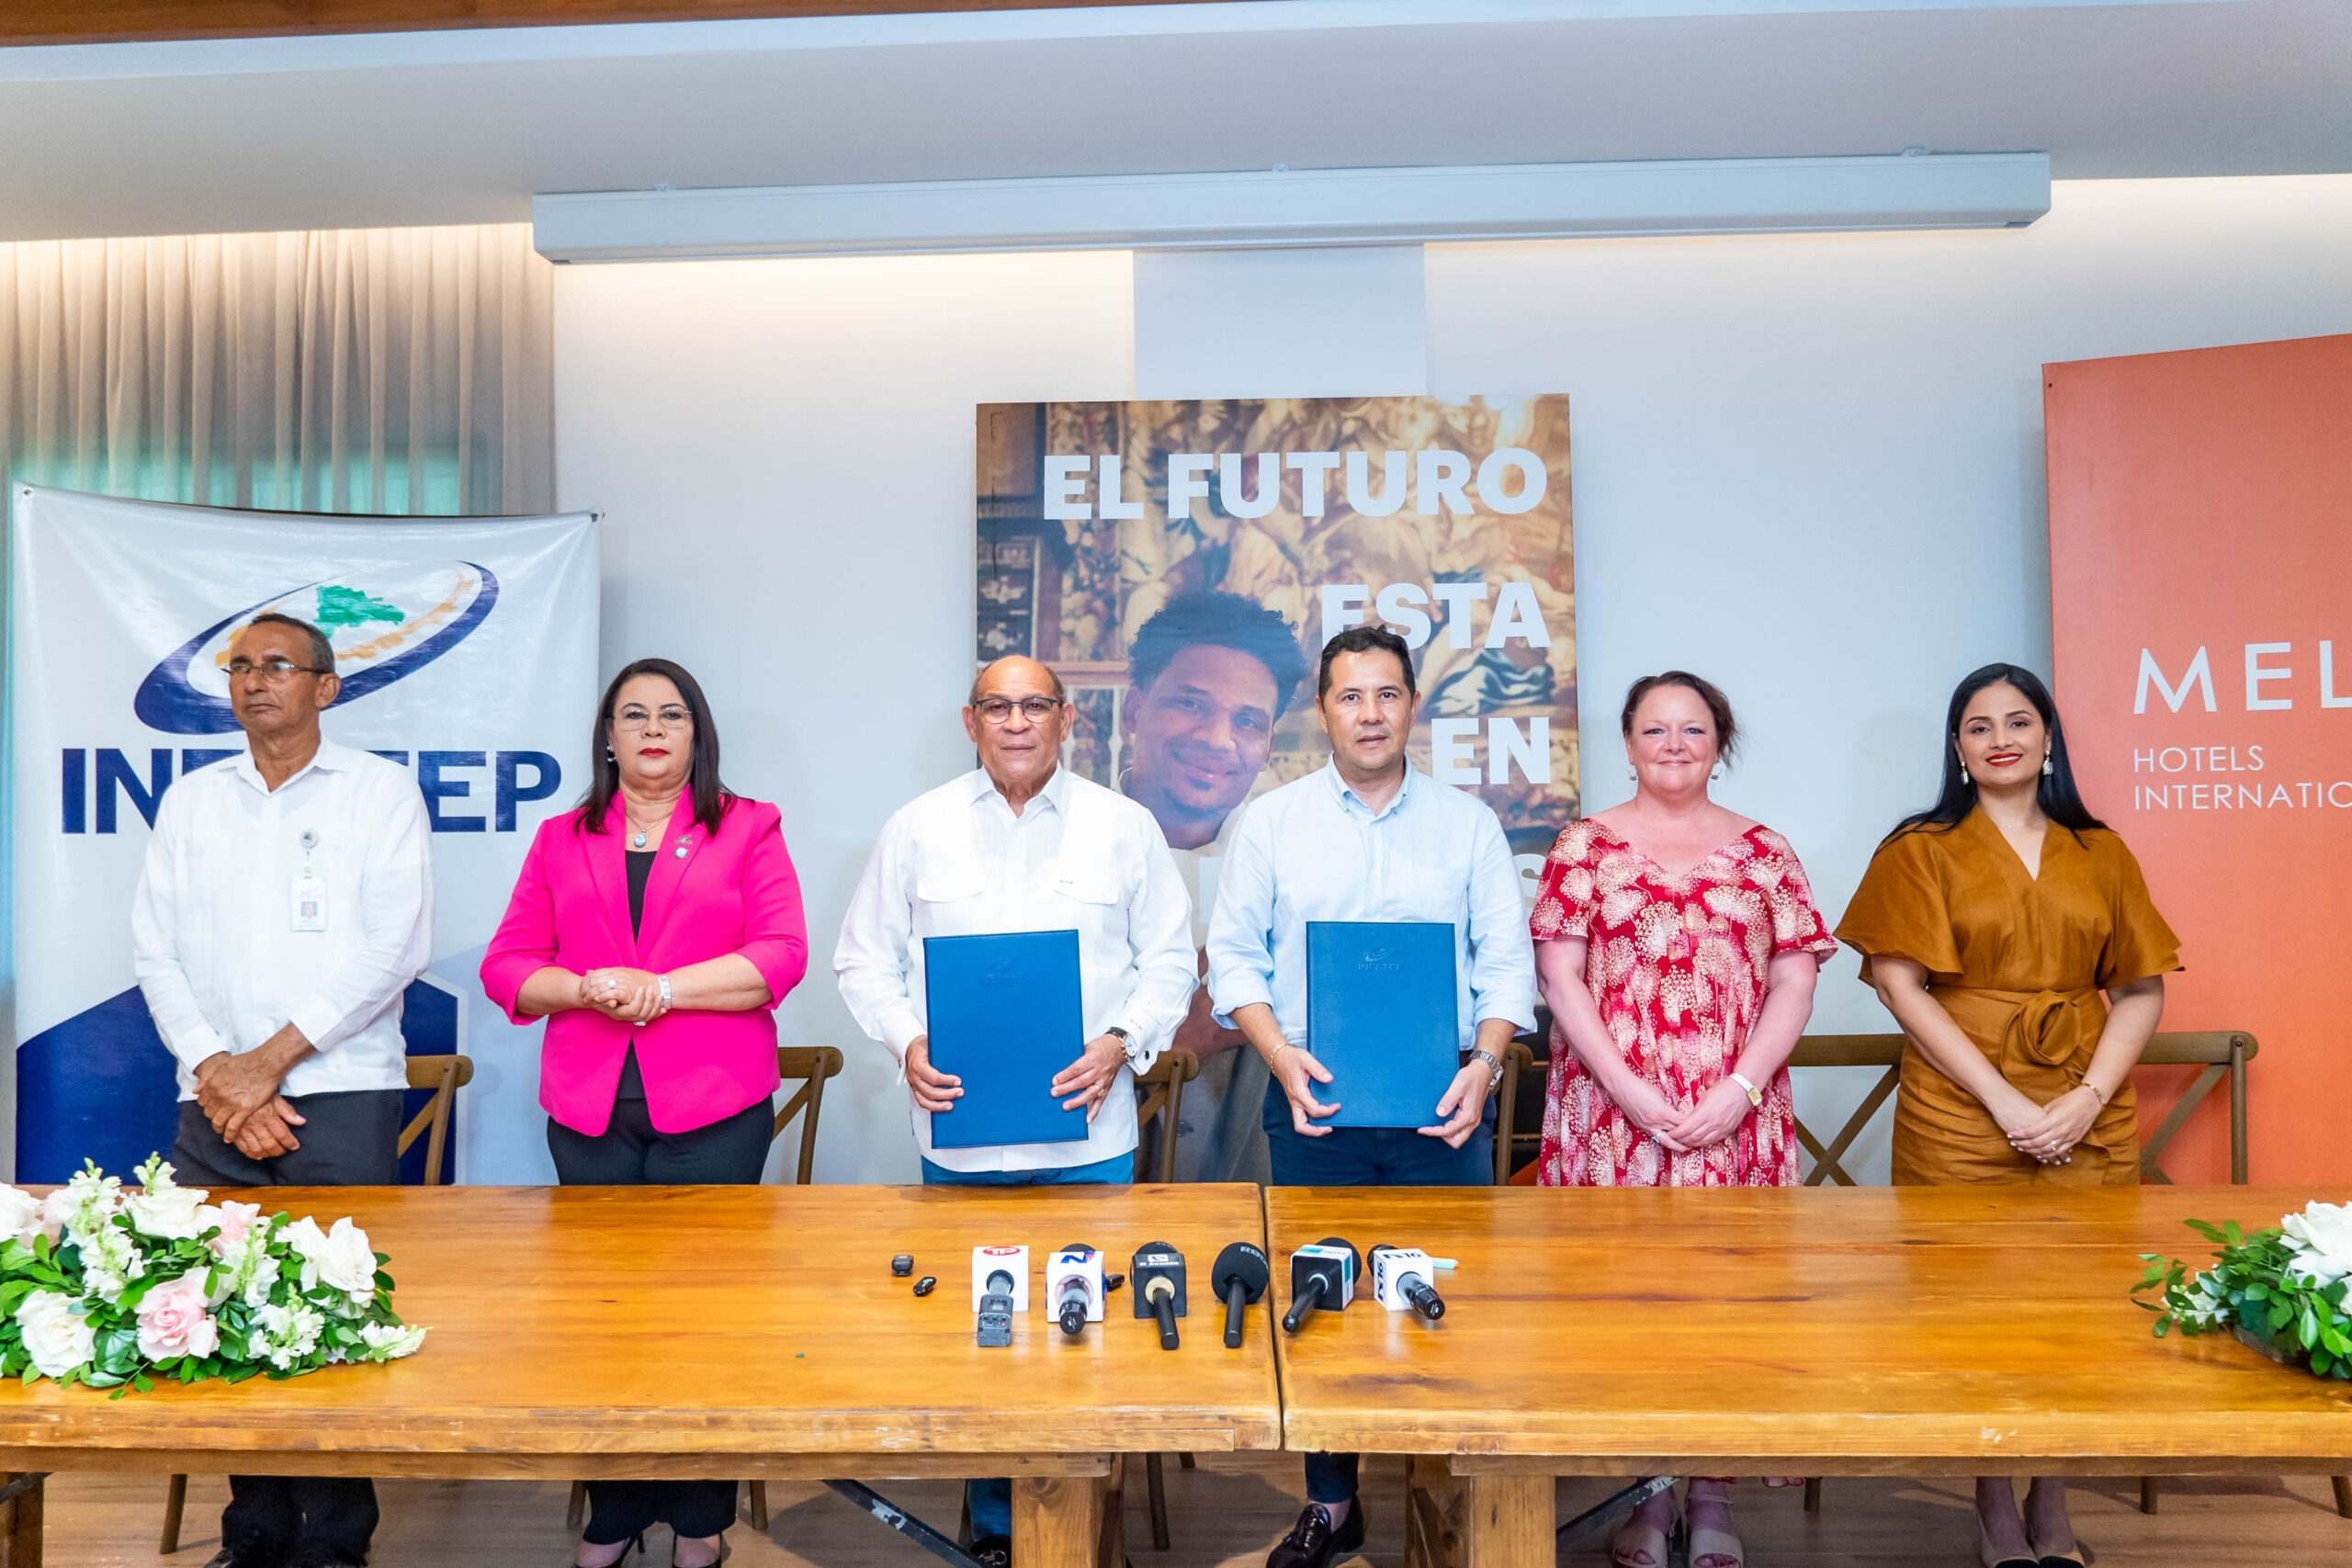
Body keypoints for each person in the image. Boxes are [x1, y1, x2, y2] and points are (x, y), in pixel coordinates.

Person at [833, 654, 1195, 1568]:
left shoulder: (1124, 826)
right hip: (963, 1145)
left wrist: (1123, 1040)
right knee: (984, 1341)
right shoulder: (917, 828)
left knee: (1089, 1334)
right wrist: (907, 1041)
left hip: (1091, 1139)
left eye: (1035, 704)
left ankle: (1088, 1529)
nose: (1017, 721)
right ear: (971, 722)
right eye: (998, 706)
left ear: (1067, 718)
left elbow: (1169, 960)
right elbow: (861, 960)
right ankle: (997, 1532)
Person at [1206, 625, 1535, 1568]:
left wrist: (1485, 1065)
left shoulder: (1467, 824)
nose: (1370, 713)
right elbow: (1233, 959)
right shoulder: (1271, 822)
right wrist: (1280, 1056)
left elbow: (1505, 964)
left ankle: (1450, 1499)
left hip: (1447, 1107)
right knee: (1323, 1304)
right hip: (1313, 1101)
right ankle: (1332, 1503)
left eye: (1387, 694)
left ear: (1412, 706)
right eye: (1350, 696)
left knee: (1451, 1301)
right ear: (1323, 710)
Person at [1837, 661, 2177, 1568]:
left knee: (2077, 1308)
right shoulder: (1918, 849)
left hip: (2083, 1100)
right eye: (1978, 725)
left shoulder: (2101, 851)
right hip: (1959, 1109)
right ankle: (1992, 1502)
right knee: (1969, 1313)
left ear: (2047, 737)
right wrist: (2003, 1099)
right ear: (1956, 747)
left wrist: (2085, 1098)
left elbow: (2140, 989)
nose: (2000, 739)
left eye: (2018, 721)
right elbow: (1898, 984)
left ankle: (2052, 1500)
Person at [481, 657, 808, 1568]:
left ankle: (700, 1518)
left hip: (714, 1105)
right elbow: (508, 965)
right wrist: (585, 988)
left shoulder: (746, 826)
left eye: (672, 714)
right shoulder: (561, 838)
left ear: (697, 733)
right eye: (634, 714)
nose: (653, 728)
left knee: (702, 1318)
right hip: (590, 1109)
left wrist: (661, 989)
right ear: (608, 737)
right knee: (603, 1319)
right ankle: (615, 1513)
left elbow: (779, 956)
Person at [131, 611, 433, 1568]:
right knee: (221, 1309)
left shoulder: (379, 793)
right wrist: (218, 1072)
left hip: (339, 1092)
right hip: (212, 1098)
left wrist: (266, 1066)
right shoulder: (193, 801)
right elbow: (155, 951)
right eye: (239, 667)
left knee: (335, 1320)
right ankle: (254, 1532)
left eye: (277, 665)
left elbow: (394, 949)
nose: (254, 681)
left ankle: (337, 1540)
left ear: (325, 686)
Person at [1529, 671, 1833, 1568]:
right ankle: (1647, 1493)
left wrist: (1738, 1089)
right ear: (1627, 744)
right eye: (1655, 729)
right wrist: (1628, 1089)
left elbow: (1795, 978)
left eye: (1692, 729)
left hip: (1734, 1113)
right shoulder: (1583, 847)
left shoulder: (1765, 853)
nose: (1673, 744)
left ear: (1718, 744)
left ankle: (1711, 1496)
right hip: (1609, 1112)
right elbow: (1558, 976)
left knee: (1727, 1307)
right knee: (1628, 1307)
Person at [1119, 589, 1310, 1184]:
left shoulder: (1300, 862)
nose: (1217, 738)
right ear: (1133, 709)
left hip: (1255, 1173)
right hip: (1091, 1169)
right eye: (1191, 704)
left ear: (1269, 744)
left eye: (1247, 720)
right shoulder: (1061, 844)